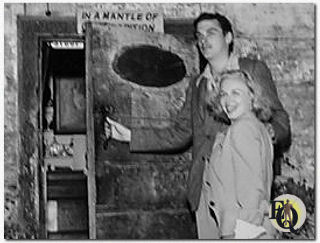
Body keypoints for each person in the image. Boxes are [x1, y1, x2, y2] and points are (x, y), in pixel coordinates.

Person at [104, 12, 291, 239]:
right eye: (199, 36)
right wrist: (130, 136)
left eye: (211, 33)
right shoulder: (197, 84)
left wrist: (264, 135)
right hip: (205, 187)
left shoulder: (251, 70)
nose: (203, 40)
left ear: (229, 37)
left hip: (240, 187)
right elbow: (181, 132)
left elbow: (280, 120)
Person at [203, 70, 276, 239]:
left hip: (243, 229)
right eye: (223, 94)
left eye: (236, 93)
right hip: (257, 227)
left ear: (252, 96)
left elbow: (251, 190)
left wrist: (243, 233)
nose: (228, 101)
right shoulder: (258, 127)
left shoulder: (241, 129)